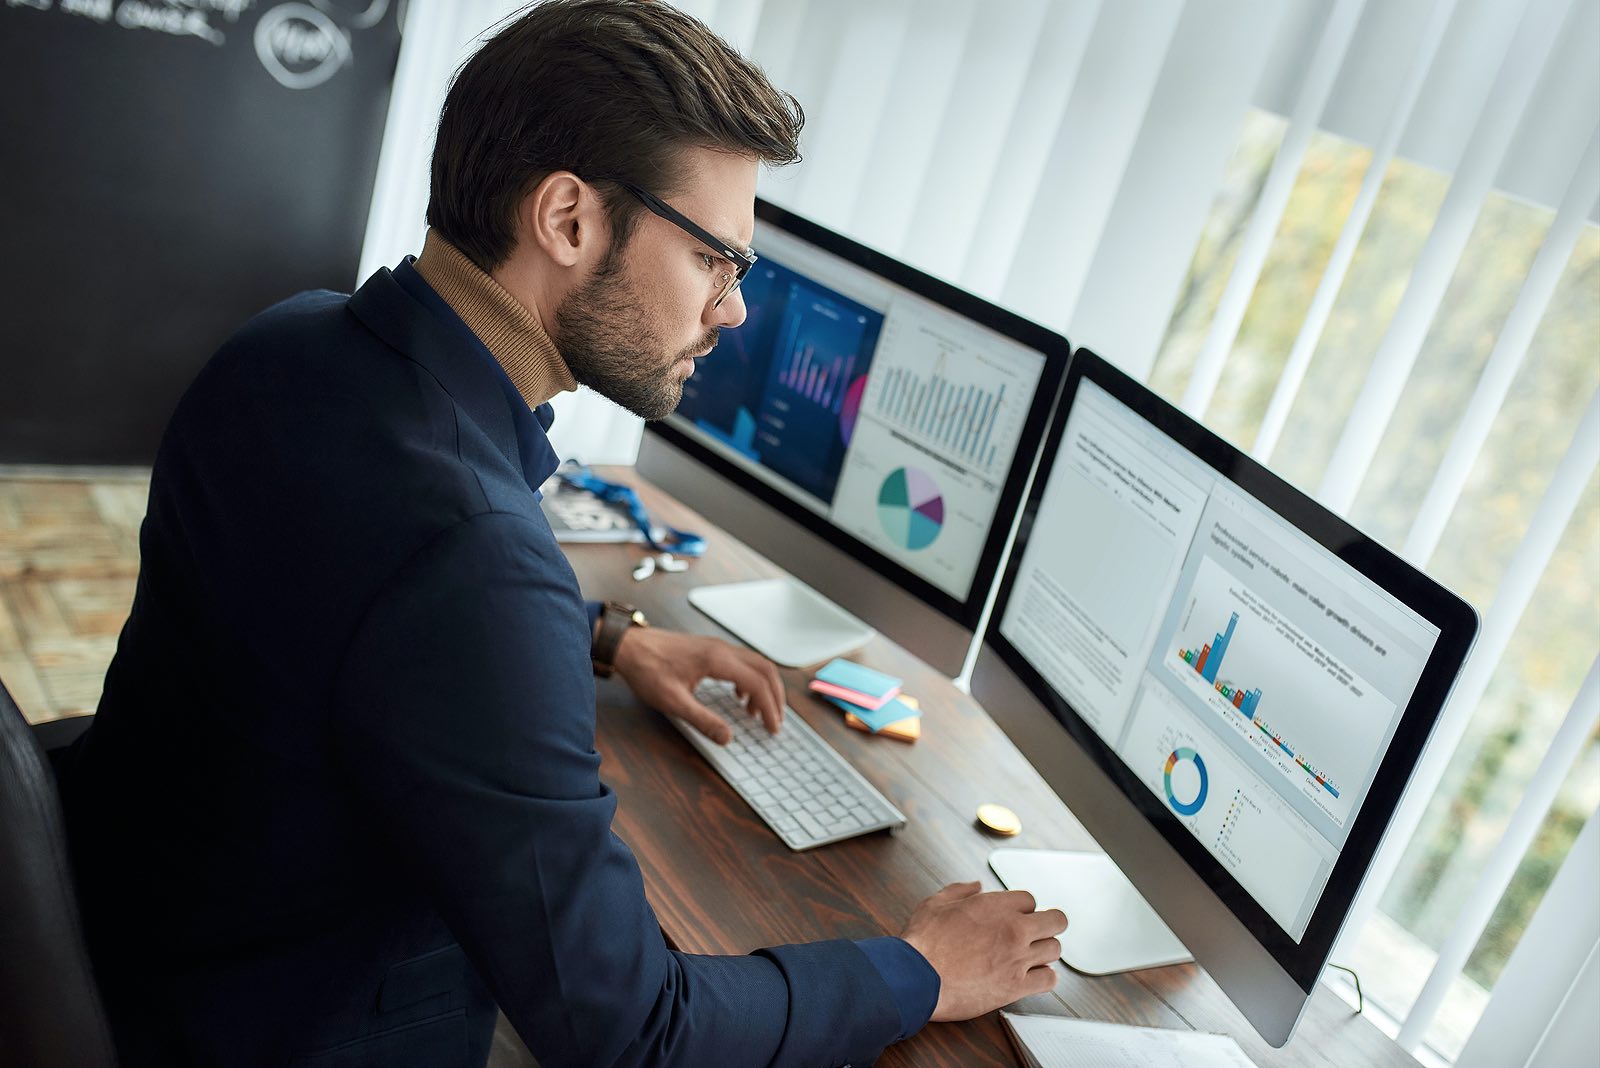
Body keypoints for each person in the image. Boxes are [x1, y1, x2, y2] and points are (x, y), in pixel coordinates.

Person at [59, 2, 1067, 1065]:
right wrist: (917, 968)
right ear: (569, 220)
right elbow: (632, 1032)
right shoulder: (473, 558)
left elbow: (350, 602)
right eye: (715, 260)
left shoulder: (289, 344)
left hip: (144, 938)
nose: (729, 311)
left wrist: (609, 638)